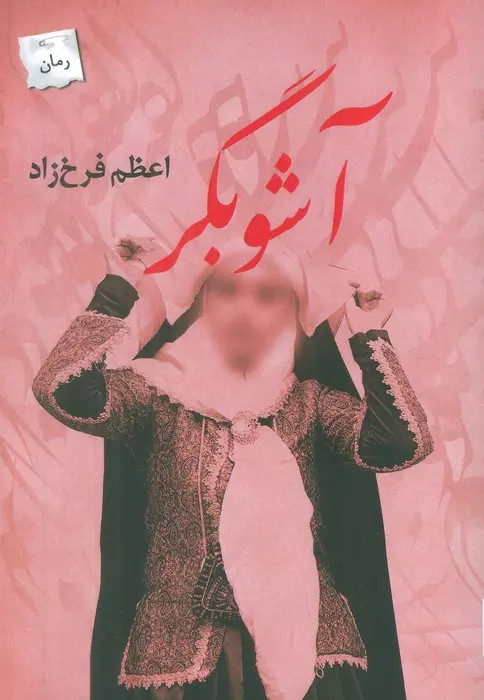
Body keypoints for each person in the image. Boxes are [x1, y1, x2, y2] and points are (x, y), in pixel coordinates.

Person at [31, 238, 434, 700]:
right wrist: (117, 288)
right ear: (202, 300)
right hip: (181, 656)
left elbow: (401, 443)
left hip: (306, 649)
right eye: (227, 290)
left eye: (268, 295)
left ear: (292, 311)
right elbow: (61, 391)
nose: (245, 309)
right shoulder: (155, 393)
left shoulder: (309, 403)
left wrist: (369, 337)